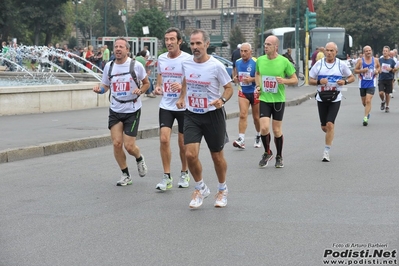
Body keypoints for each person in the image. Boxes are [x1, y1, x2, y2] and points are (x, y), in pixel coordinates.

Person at [176, 29, 233, 208]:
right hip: (192, 113)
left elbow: (229, 88)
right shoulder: (186, 63)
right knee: (190, 154)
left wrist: (222, 100)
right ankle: (200, 187)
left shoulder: (216, 66)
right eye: (192, 44)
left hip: (212, 115)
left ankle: (222, 189)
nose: (195, 47)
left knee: (216, 156)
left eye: (198, 43)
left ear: (206, 44)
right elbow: (186, 80)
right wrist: (182, 97)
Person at [92, 37, 150, 186]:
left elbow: (146, 84)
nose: (118, 49)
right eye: (116, 46)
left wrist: (140, 91)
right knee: (117, 144)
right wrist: (100, 90)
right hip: (116, 108)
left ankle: (139, 157)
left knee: (129, 146)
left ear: (127, 50)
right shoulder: (109, 66)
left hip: (132, 109)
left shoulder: (135, 66)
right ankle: (125, 174)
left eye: (121, 47)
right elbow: (105, 86)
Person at [153, 27, 192, 191]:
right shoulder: (162, 58)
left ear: (179, 41)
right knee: (163, 139)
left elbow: (192, 79)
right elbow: (161, 74)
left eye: (172, 39)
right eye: (166, 39)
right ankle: (166, 176)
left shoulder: (188, 59)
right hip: (166, 105)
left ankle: (184, 172)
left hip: (183, 106)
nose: (168, 42)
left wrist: (182, 93)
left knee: (182, 143)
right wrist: (158, 86)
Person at [255, 35, 298, 169]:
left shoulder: (284, 61)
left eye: (268, 44)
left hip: (278, 100)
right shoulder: (260, 60)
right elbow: (257, 74)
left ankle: (279, 156)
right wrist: (258, 86)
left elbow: (295, 80)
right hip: (264, 99)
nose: (265, 47)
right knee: (263, 128)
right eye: (265, 44)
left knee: (276, 130)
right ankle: (267, 152)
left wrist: (284, 81)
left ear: (275, 47)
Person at [309, 42, 355, 162]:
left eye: (331, 51)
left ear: (336, 52)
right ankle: (329, 132)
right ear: (324, 51)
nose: (329, 53)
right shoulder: (319, 64)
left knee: (330, 124)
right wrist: (319, 82)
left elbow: (352, 77)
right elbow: (310, 80)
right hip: (321, 98)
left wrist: (345, 82)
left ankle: (326, 151)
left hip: (335, 98)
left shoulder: (341, 64)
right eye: (327, 50)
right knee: (324, 127)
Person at [232, 42, 261, 149]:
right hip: (243, 90)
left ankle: (258, 135)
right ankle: (241, 139)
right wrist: (235, 78)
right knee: (243, 114)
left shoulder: (256, 62)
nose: (243, 53)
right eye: (241, 51)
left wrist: (251, 79)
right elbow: (235, 75)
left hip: (255, 91)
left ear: (251, 52)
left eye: (245, 51)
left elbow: (261, 77)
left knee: (256, 118)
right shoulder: (238, 62)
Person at [354, 45, 380, 126]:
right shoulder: (360, 61)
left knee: (368, 100)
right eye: (366, 51)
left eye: (369, 50)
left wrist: (377, 71)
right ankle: (367, 112)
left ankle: (365, 117)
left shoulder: (375, 60)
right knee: (364, 102)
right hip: (362, 83)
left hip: (372, 83)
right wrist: (362, 70)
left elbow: (379, 67)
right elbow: (355, 70)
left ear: (371, 51)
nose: (368, 52)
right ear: (364, 52)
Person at [378, 46, 397, 113]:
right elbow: (377, 67)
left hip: (389, 78)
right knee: (381, 93)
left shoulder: (392, 61)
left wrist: (391, 69)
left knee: (387, 94)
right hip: (381, 78)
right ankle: (383, 101)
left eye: (386, 51)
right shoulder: (380, 60)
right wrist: (379, 70)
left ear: (388, 52)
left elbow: (395, 70)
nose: (385, 52)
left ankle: (387, 106)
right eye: (384, 51)